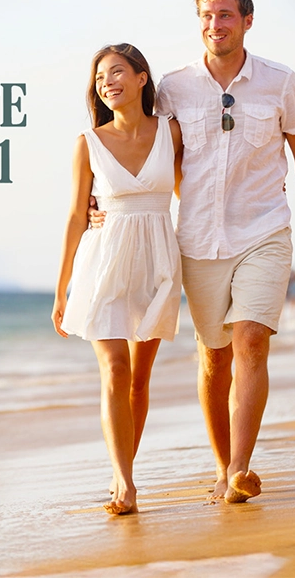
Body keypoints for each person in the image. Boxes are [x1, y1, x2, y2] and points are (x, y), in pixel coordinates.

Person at [91, 0, 295, 504]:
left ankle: (242, 469)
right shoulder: (175, 88)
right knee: (213, 357)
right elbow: (142, 147)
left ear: (246, 21)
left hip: (264, 229)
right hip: (197, 240)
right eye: (206, 16)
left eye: (225, 15)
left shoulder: (280, 82)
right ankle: (223, 468)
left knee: (249, 340)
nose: (215, 25)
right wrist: (100, 200)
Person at [51, 43, 183, 515]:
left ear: (143, 78)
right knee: (115, 368)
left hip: (157, 260)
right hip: (103, 261)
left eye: (118, 72)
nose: (107, 82)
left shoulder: (172, 132)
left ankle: (122, 467)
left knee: (139, 380)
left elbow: (197, 186)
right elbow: (74, 216)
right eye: (100, 77)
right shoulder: (88, 143)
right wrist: (62, 287)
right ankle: (125, 483)